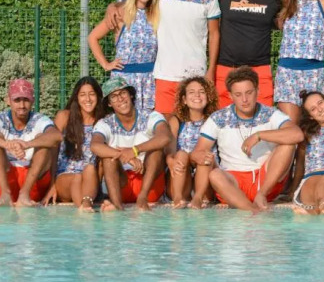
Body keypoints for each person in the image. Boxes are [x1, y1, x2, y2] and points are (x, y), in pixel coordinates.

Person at [103, 0, 222, 116]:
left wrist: (211, 70)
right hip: (164, 75)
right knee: (164, 125)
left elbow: (214, 34)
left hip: (196, 74)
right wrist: (113, 6)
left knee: (195, 121)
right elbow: (137, 0)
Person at [191, 66, 304, 212]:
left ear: (257, 91)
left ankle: (261, 196)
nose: (244, 100)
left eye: (249, 93)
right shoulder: (218, 118)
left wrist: (259, 135)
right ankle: (253, 210)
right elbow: (197, 152)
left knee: (288, 144)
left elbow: (297, 135)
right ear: (230, 96)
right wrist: (198, 155)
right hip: (232, 183)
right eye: (238, 94)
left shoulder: (271, 114)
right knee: (213, 171)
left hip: (265, 182)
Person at [274, 0, 324, 199]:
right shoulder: (286, 4)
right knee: (290, 131)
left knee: (309, 133)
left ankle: (300, 181)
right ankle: (283, 183)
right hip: (288, 72)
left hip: (315, 72)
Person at [0, 79, 62, 207]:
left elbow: (57, 136)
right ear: (8, 100)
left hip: (34, 185)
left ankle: (24, 194)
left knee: (44, 141)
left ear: (32, 101)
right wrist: (7, 144)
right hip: (7, 179)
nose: (22, 105)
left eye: (26, 100)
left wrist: (27, 144)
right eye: (17, 100)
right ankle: (5, 195)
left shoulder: (40, 119)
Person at [90, 77, 171, 211]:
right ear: (109, 103)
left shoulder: (151, 116)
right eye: (114, 97)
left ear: (131, 95)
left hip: (150, 185)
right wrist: (123, 155)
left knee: (156, 150)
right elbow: (95, 145)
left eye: (123, 93)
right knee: (108, 158)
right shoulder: (105, 123)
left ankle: (142, 198)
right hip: (122, 185)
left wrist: (134, 150)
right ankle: (117, 206)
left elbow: (165, 137)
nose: (120, 99)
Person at [215, 0, 281, 108]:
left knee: (263, 118)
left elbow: (286, 21)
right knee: (224, 119)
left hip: (260, 69)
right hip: (227, 68)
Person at [89, 0, 160, 111]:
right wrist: (106, 64)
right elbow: (92, 37)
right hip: (124, 81)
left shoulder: (156, 14)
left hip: (149, 82)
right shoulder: (121, 12)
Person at [43, 77, 106, 212]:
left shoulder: (103, 121)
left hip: (91, 180)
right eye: (82, 95)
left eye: (92, 94)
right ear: (76, 97)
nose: (87, 99)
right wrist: (51, 185)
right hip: (64, 177)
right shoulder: (64, 116)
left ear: (98, 96)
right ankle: (85, 207)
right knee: (77, 177)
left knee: (90, 168)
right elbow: (53, 152)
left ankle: (85, 207)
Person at [165, 76, 218, 209]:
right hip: (182, 176)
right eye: (192, 92)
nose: (197, 95)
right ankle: (178, 198)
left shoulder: (215, 120)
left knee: (205, 156)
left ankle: (198, 198)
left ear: (208, 97)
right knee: (181, 154)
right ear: (184, 99)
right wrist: (170, 161)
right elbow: (169, 152)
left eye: (202, 92)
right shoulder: (176, 121)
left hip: (206, 176)